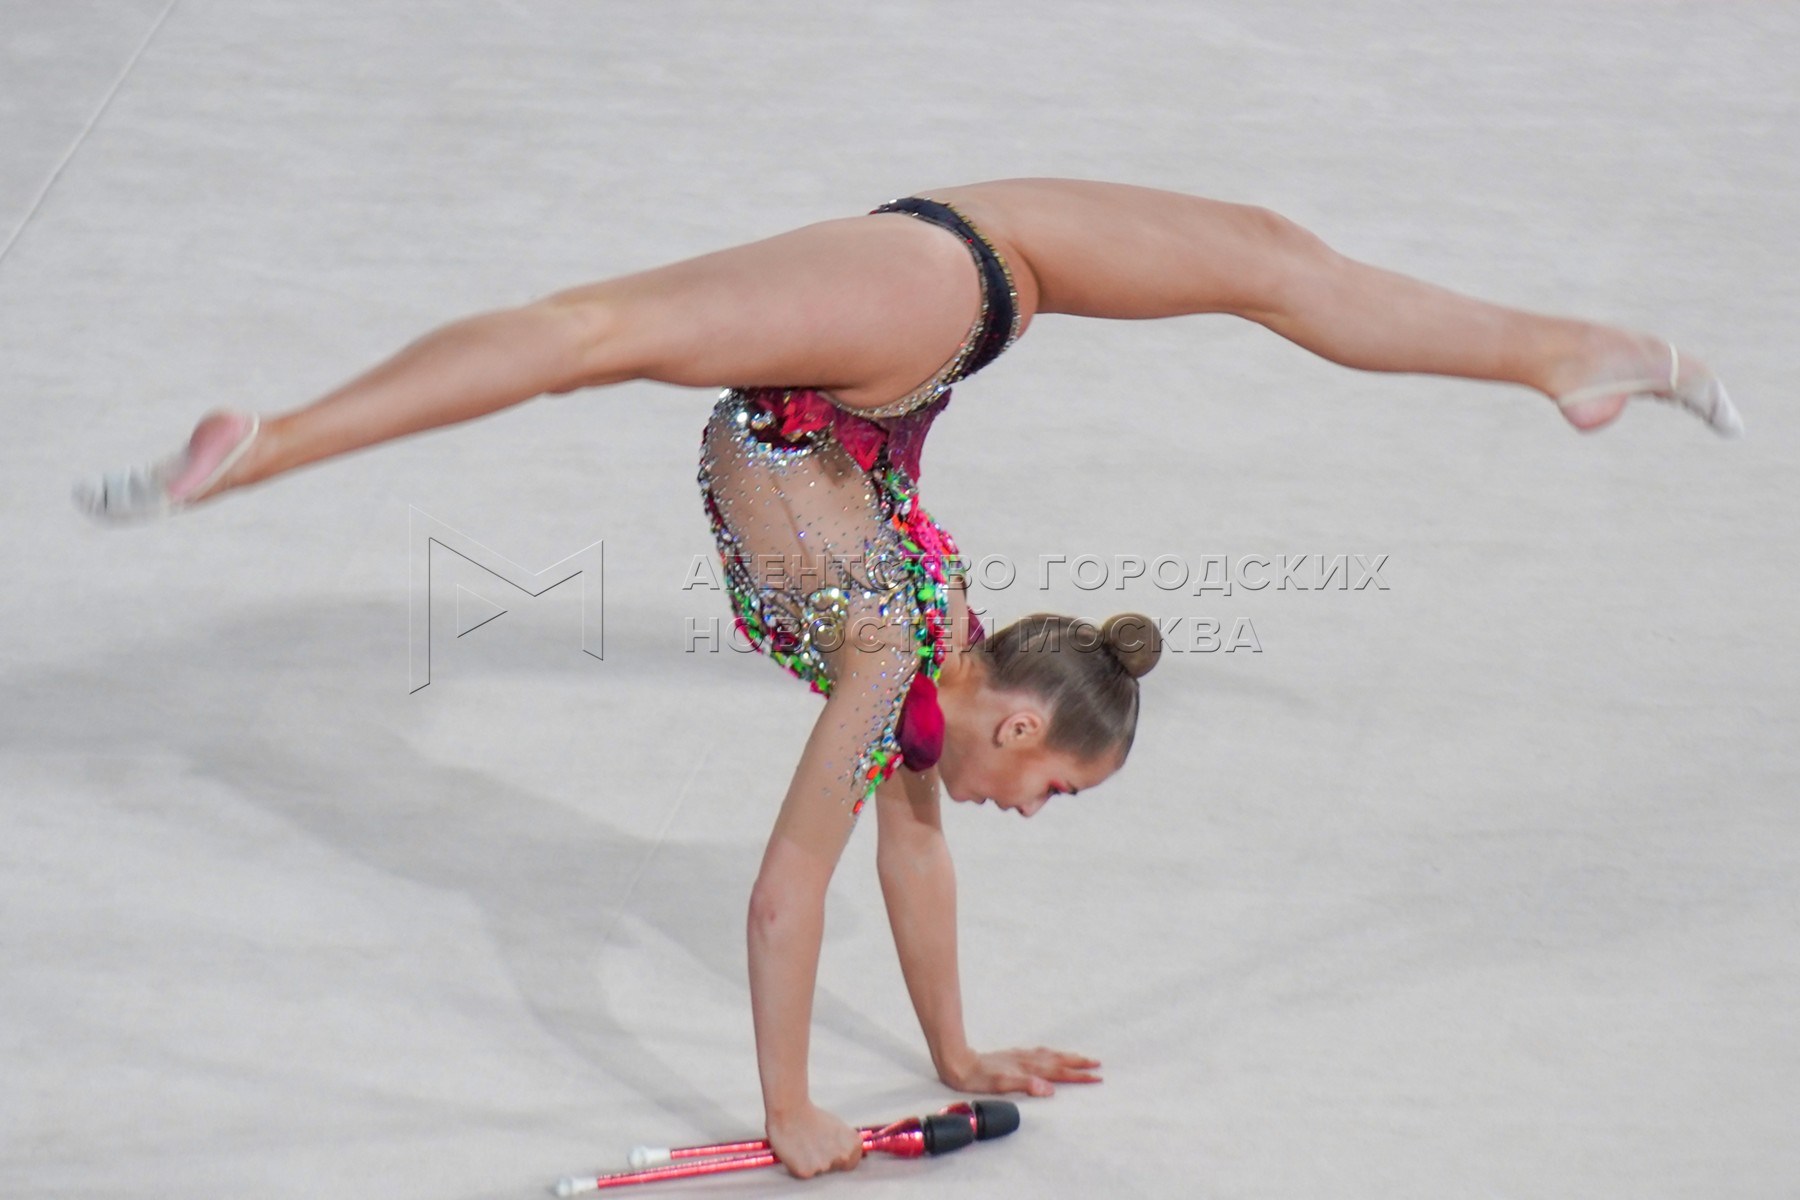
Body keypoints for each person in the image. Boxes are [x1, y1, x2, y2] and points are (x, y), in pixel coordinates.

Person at [72, 178, 1740, 1178]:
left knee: (1258, 251)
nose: (1038, 810)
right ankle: (270, 442)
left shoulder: (938, 655)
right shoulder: (896, 654)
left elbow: (914, 847)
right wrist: (790, 1107)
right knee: (588, 332)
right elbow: (785, 891)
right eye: (1056, 785)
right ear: (1015, 717)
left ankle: (1566, 355)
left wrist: (958, 1051)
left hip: (929, 320)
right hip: (910, 315)